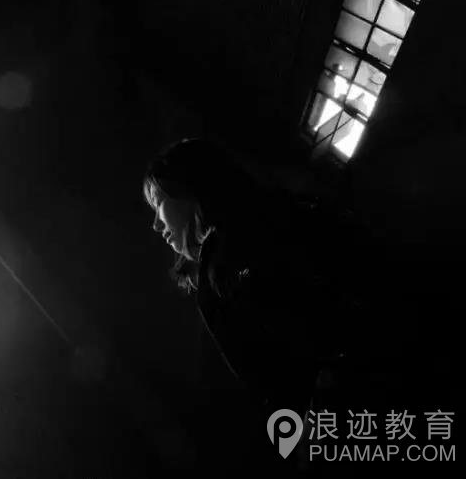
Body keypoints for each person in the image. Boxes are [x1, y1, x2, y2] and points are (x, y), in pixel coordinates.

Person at [142, 138, 393, 455]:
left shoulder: (230, 260)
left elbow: (308, 351)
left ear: (191, 188)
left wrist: (307, 440)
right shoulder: (268, 223)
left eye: (158, 203)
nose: (155, 224)